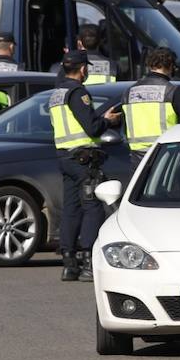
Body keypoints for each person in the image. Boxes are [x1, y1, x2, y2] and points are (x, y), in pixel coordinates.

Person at [50, 50, 121, 281]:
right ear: (82, 69)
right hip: (83, 159)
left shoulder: (57, 93)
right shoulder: (77, 92)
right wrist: (108, 120)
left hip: (65, 157)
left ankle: (69, 263)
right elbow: (92, 128)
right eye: (86, 68)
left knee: (71, 209)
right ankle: (90, 262)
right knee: (92, 207)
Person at [120, 46, 180, 171]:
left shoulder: (129, 92)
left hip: (138, 155)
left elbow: (124, 124)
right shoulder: (172, 91)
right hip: (166, 153)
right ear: (171, 66)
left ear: (149, 65)